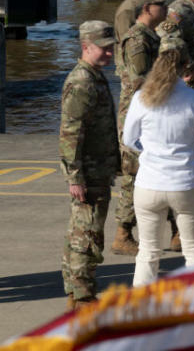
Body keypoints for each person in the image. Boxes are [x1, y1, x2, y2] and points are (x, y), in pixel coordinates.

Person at [122, 36, 194, 286]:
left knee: (148, 254)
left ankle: (140, 312)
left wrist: (149, 149)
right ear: (186, 67)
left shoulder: (142, 98)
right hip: (185, 183)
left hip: (149, 183)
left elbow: (129, 139)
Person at [59, 21, 120, 311]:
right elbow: (71, 132)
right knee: (87, 235)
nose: (110, 55)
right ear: (86, 47)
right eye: (104, 50)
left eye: (112, 49)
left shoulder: (93, 75)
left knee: (82, 232)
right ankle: (82, 297)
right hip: (89, 171)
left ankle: (76, 291)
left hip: (98, 168)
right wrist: (75, 176)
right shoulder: (82, 81)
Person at [112, 0, 171, 256]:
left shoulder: (152, 36)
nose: (167, 7)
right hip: (139, 117)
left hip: (153, 112)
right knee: (135, 176)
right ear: (147, 8)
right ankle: (123, 233)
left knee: (164, 171)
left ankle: (179, 231)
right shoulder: (137, 40)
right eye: (162, 4)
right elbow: (139, 82)